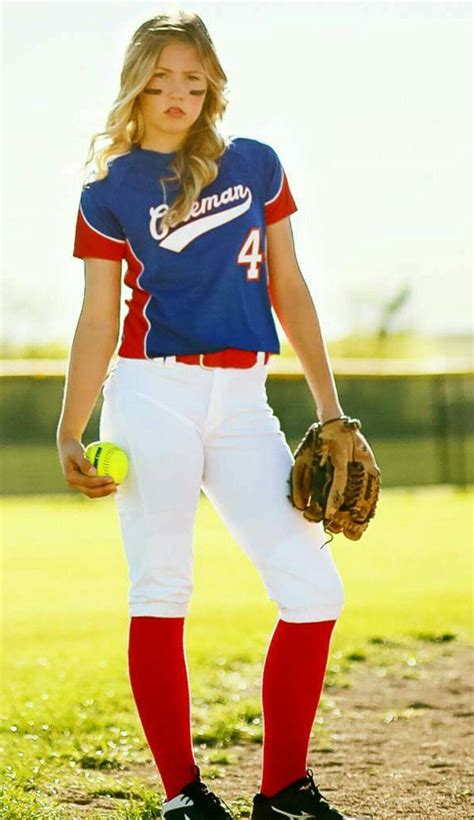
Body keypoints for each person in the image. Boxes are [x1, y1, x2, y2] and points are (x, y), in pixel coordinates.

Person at [57, 10, 359, 820]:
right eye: (162, 79)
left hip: (245, 399)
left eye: (194, 79)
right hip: (151, 390)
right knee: (162, 586)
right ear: (137, 85)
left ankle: (283, 790)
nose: (179, 94)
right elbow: (97, 319)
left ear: (213, 84)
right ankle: (182, 795)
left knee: (312, 586)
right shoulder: (108, 192)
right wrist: (70, 426)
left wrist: (331, 410)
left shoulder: (255, 165)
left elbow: (290, 289)